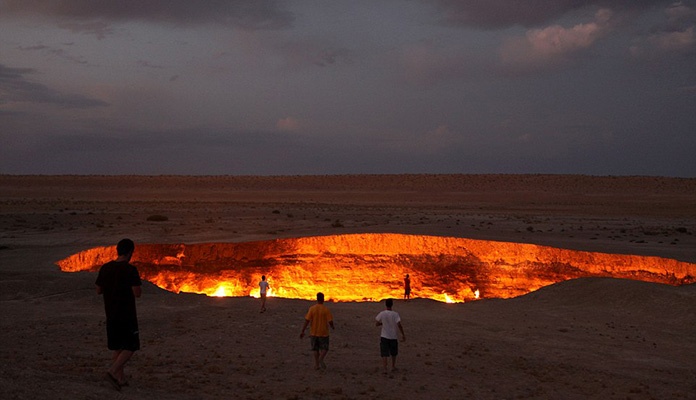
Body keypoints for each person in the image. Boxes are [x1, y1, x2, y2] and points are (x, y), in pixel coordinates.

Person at [95, 238, 142, 391]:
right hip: (126, 315)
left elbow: (98, 290)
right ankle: (112, 371)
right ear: (130, 252)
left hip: (111, 313)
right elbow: (137, 293)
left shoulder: (105, 268)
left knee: (117, 347)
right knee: (131, 346)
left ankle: (120, 379)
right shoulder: (130, 270)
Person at [300, 292, 334, 370]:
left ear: (317, 299)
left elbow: (307, 320)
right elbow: (330, 320)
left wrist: (303, 331)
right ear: (323, 299)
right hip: (323, 332)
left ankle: (317, 364)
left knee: (315, 349)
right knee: (325, 348)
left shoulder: (312, 309)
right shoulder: (326, 309)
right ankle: (321, 359)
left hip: (314, 332)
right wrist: (332, 326)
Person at [375, 298, 406, 373]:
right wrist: (403, 334)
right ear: (392, 305)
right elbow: (399, 324)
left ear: (385, 304)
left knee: (384, 352)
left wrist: (383, 323)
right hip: (393, 336)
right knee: (393, 352)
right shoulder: (395, 314)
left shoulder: (382, 313)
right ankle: (393, 366)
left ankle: (385, 368)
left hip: (384, 336)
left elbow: (377, 323)